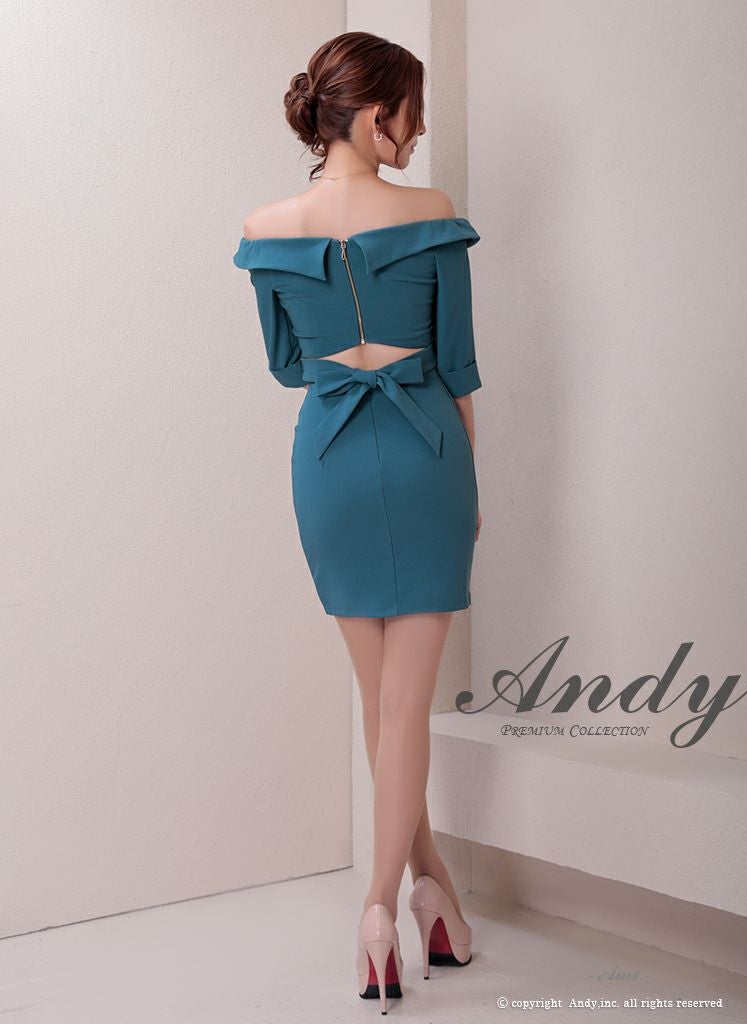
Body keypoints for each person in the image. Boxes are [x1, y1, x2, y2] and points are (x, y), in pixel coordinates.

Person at [233, 30, 479, 1013]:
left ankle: (433, 890)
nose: (416, 135)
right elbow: (457, 366)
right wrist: (470, 489)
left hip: (327, 461)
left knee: (382, 706)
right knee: (404, 707)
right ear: (377, 112)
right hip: (426, 456)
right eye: (412, 114)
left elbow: (287, 365)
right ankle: (382, 905)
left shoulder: (266, 226)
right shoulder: (432, 213)